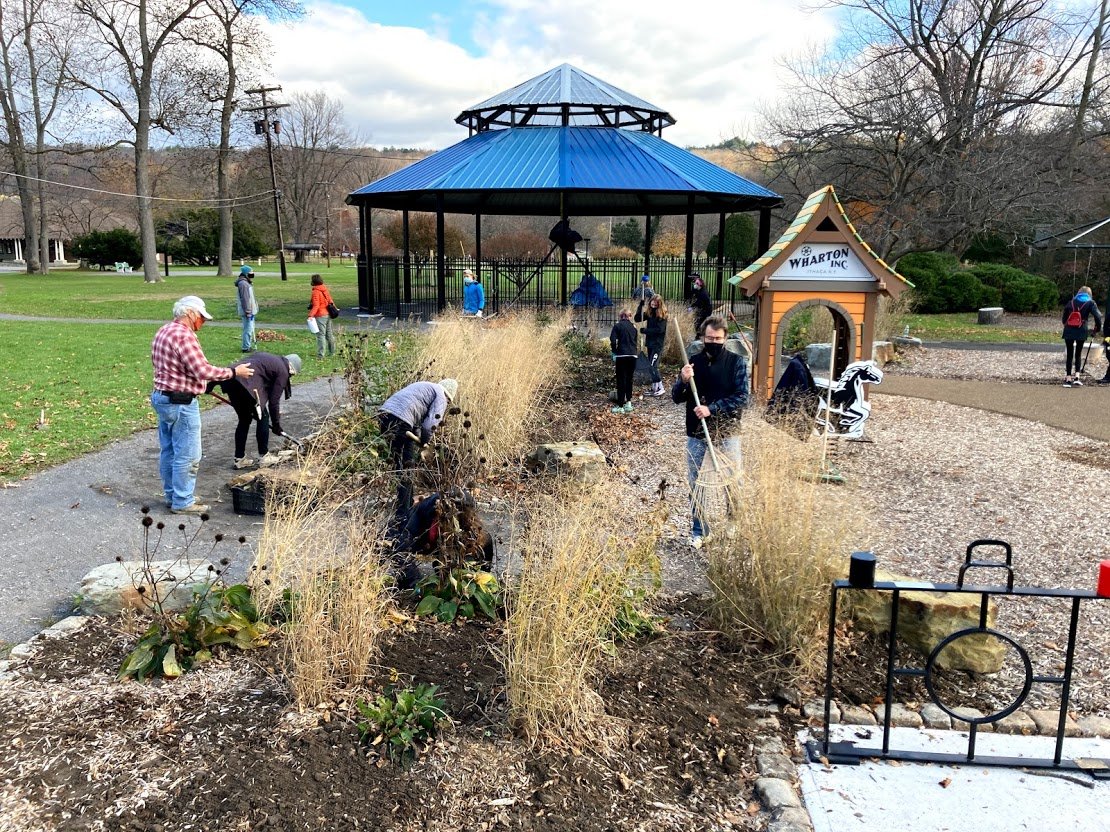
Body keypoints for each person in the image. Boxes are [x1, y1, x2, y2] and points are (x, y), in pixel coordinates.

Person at [151, 296, 254, 514]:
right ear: (190, 313)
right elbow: (203, 370)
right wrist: (234, 372)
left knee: (169, 451)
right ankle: (183, 501)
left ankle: (174, 495)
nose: (202, 322)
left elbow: (171, 367)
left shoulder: (164, 330)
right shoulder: (184, 336)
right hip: (181, 402)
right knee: (188, 454)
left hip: (162, 397)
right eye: (201, 317)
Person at [671, 315, 748, 548]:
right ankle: (700, 530)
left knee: (732, 480)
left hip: (727, 430)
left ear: (725, 338)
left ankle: (733, 521)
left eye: (717, 338)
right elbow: (676, 397)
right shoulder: (692, 362)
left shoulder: (736, 362)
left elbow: (743, 398)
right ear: (702, 337)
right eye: (708, 338)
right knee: (696, 482)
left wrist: (712, 409)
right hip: (697, 432)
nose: (712, 341)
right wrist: (683, 381)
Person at [378, 378, 459, 528]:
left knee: (401, 465)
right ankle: (404, 515)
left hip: (385, 416)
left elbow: (414, 421)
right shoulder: (441, 395)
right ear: (449, 397)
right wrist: (425, 441)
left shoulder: (425, 387)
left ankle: (407, 504)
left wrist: (419, 440)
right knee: (407, 470)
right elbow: (430, 424)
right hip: (400, 421)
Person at [210, 352, 301, 469]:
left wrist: (211, 384)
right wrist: (276, 425)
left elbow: (236, 367)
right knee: (263, 417)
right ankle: (264, 456)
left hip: (231, 381)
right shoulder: (283, 371)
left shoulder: (268, 359)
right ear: (292, 370)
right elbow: (274, 402)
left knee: (244, 419)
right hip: (247, 385)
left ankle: (239, 459)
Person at [1061, 285, 1102, 387]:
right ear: (1089, 294)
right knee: (1078, 353)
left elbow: (1064, 318)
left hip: (1069, 330)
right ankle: (1077, 377)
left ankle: (1068, 377)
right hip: (1081, 330)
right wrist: (1097, 329)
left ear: (1079, 292)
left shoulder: (1071, 301)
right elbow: (1098, 316)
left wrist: (1067, 324)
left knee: (1070, 353)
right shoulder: (1090, 303)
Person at [636, 294, 668, 396]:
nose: (653, 303)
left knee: (653, 366)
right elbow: (637, 318)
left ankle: (661, 388)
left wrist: (646, 330)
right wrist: (640, 306)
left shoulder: (662, 315)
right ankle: (654, 388)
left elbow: (659, 330)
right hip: (650, 343)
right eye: (652, 301)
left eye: (656, 302)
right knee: (650, 366)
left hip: (657, 345)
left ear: (659, 303)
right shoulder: (649, 313)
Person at [610, 309, 639, 414]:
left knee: (621, 379)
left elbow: (613, 340)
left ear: (621, 316)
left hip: (622, 355)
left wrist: (614, 352)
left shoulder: (617, 326)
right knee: (629, 379)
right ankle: (629, 403)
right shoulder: (634, 328)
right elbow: (635, 341)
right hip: (633, 355)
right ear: (629, 316)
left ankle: (620, 405)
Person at [307, 274, 337, 358]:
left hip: (320, 315)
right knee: (329, 334)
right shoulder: (324, 289)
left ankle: (321, 355)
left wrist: (310, 315)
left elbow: (316, 305)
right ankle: (332, 352)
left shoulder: (315, 292)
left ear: (313, 281)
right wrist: (335, 308)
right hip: (328, 314)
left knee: (321, 335)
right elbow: (330, 300)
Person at [235, 265, 258, 352]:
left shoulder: (246, 283)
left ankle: (247, 345)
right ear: (246, 274)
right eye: (250, 274)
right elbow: (245, 299)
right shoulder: (243, 284)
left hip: (250, 310)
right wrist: (248, 311)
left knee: (250, 328)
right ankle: (246, 347)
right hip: (247, 311)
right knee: (248, 329)